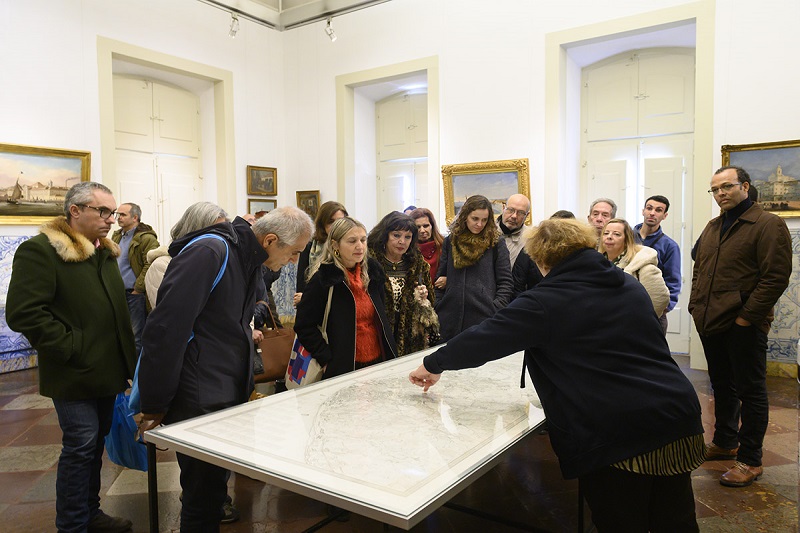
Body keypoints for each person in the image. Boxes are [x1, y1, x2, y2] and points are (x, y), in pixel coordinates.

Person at [409, 219, 705, 532]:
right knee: (676, 521)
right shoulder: (627, 284)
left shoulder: (545, 301)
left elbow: (483, 339)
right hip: (677, 415)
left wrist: (432, 363)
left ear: (542, 260)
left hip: (619, 431)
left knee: (621, 523)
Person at [137, 206, 313, 531]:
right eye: (294, 253)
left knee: (213, 493)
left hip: (221, 392)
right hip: (199, 395)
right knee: (201, 499)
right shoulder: (211, 251)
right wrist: (154, 404)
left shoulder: (245, 259)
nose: (292, 262)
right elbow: (165, 329)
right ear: (271, 240)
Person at [6, 182, 136, 533]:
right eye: (103, 211)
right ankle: (72, 524)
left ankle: (90, 513)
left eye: (112, 212)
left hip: (107, 369)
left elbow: (115, 312)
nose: (111, 219)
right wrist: (71, 346)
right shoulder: (41, 251)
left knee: (95, 445)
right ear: (75, 211)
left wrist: (129, 360)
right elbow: (23, 312)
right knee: (80, 444)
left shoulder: (104, 252)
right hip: (73, 370)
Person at [689, 166, 792, 488]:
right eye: (715, 189)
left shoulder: (768, 224)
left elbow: (775, 277)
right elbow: (700, 268)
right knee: (721, 385)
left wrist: (747, 318)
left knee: (751, 391)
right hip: (710, 320)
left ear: (744, 186)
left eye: (727, 186)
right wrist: (695, 305)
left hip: (742, 323)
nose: (721, 193)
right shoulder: (713, 225)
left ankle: (750, 459)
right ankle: (725, 441)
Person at [294, 217, 397, 379]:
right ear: (335, 245)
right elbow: (304, 325)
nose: (360, 246)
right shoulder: (324, 279)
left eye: (363, 240)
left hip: (378, 360)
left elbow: (383, 313)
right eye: (352, 241)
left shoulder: (373, 271)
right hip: (343, 365)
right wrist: (326, 359)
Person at [434, 195, 513, 341]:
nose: (479, 224)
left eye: (484, 220)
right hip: (450, 318)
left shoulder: (495, 243)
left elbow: (506, 281)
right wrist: (440, 305)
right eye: (475, 219)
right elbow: (440, 277)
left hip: (484, 318)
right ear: (465, 217)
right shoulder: (451, 241)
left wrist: (495, 309)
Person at [367, 211, 439, 355]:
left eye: (408, 237)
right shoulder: (370, 263)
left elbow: (432, 301)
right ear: (385, 235)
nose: (402, 242)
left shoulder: (417, 264)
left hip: (411, 339)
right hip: (377, 335)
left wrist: (423, 296)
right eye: (396, 235)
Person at [142, 202, 229, 309]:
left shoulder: (222, 260)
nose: (219, 239)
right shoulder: (162, 265)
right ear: (194, 229)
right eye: (213, 233)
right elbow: (169, 313)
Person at [111, 202, 159, 355]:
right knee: (119, 334)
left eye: (123, 214)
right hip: (118, 293)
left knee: (136, 336)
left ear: (135, 217)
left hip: (134, 295)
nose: (118, 218)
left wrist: (138, 289)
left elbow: (150, 264)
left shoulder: (147, 238)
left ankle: (137, 375)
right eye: (117, 214)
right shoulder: (117, 236)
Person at [598, 218, 669, 317]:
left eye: (616, 234)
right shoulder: (596, 262)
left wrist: (637, 321)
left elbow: (659, 299)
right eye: (606, 233)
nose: (609, 237)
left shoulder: (643, 266)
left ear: (627, 240)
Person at [634, 195, 681, 334]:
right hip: (625, 306)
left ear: (664, 215)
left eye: (658, 210)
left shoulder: (670, 246)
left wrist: (663, 308)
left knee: (652, 353)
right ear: (643, 211)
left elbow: (673, 280)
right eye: (649, 208)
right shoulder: (626, 237)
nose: (652, 213)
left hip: (654, 312)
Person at [294, 201, 348, 306]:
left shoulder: (349, 247)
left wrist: (307, 296)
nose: (336, 225)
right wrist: (305, 297)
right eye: (331, 221)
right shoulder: (309, 245)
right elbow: (302, 278)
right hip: (313, 303)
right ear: (322, 224)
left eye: (340, 221)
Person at [409, 207, 445, 283]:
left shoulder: (444, 246)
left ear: (432, 226)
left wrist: (447, 279)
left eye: (426, 226)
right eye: (418, 227)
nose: (422, 230)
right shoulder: (407, 249)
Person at [497, 193, 530, 267]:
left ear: (527, 215)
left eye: (521, 213)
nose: (514, 216)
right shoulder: (487, 232)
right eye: (511, 210)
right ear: (503, 208)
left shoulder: (531, 239)